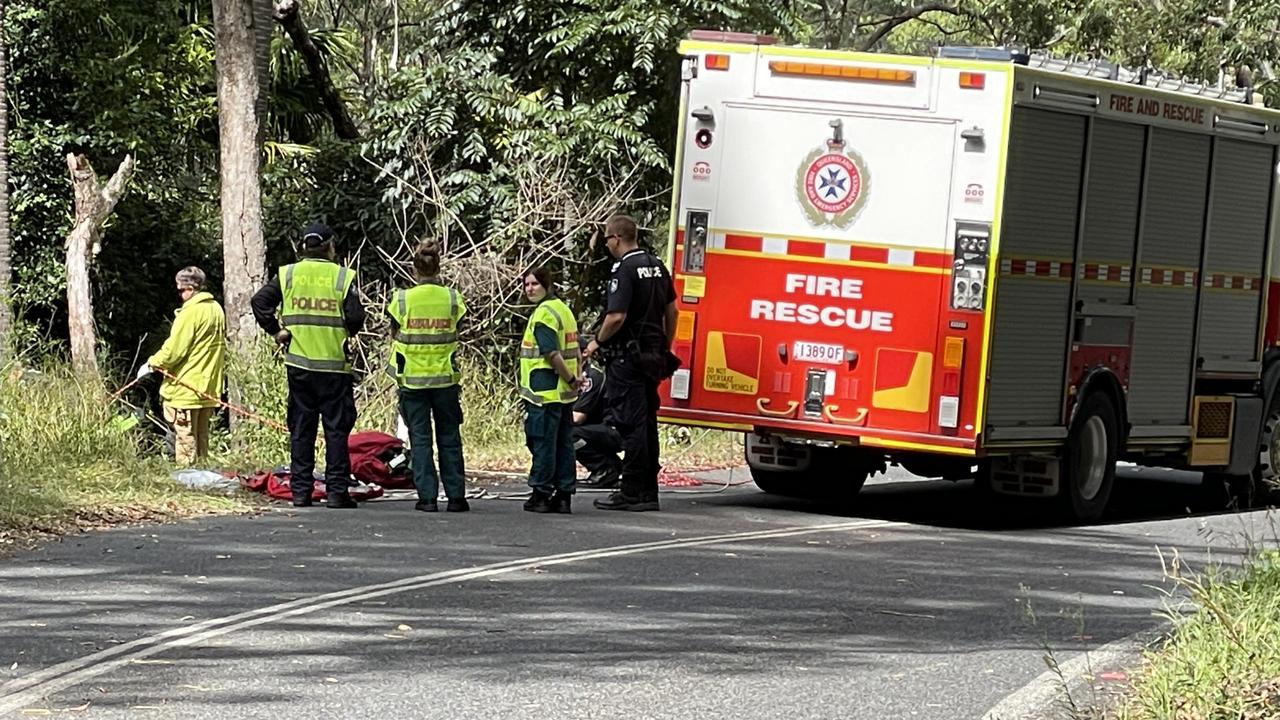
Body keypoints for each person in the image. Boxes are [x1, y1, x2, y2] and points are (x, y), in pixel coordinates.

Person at [250, 223, 366, 509]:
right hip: (333, 367)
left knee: (302, 428)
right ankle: (337, 492)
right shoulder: (341, 276)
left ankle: (301, 492)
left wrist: (276, 330)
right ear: (330, 246)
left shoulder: (288, 274)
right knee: (336, 431)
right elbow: (355, 318)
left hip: (299, 365)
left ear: (303, 247)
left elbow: (260, 301)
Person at [585, 215, 678, 512]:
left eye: (607, 241)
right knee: (648, 422)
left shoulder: (624, 269)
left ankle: (632, 490)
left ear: (616, 238)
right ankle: (649, 489)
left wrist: (597, 341)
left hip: (627, 357)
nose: (608, 246)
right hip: (653, 355)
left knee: (631, 424)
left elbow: (616, 316)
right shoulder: (656, 265)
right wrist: (665, 343)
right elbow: (673, 309)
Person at [386, 241, 469, 513]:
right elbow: (460, 331)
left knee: (420, 439)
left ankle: (427, 498)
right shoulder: (452, 299)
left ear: (414, 268)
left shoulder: (402, 300)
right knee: (449, 437)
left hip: (413, 381)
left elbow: (394, 333)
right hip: (445, 380)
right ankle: (456, 497)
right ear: (439, 266)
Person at [136, 266, 226, 465]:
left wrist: (152, 363)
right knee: (202, 436)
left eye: (180, 290)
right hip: (208, 387)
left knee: (185, 437)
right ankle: (203, 474)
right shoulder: (216, 309)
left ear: (191, 289)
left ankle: (187, 479)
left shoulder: (190, 313)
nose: (180, 294)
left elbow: (174, 350)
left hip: (186, 387)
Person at [518, 266, 581, 514]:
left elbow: (551, 353)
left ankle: (541, 493)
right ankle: (563, 494)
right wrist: (575, 379)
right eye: (526, 285)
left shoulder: (544, 314)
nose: (529, 289)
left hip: (544, 391)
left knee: (543, 442)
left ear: (546, 285)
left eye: (534, 284)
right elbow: (576, 349)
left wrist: (571, 377)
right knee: (563, 443)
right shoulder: (563, 310)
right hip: (563, 392)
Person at [572, 336, 622, 489]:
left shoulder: (591, 377)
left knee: (568, 434)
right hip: (596, 429)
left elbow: (577, 418)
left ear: (584, 353)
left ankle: (604, 468)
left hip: (613, 430)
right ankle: (610, 464)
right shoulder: (569, 374)